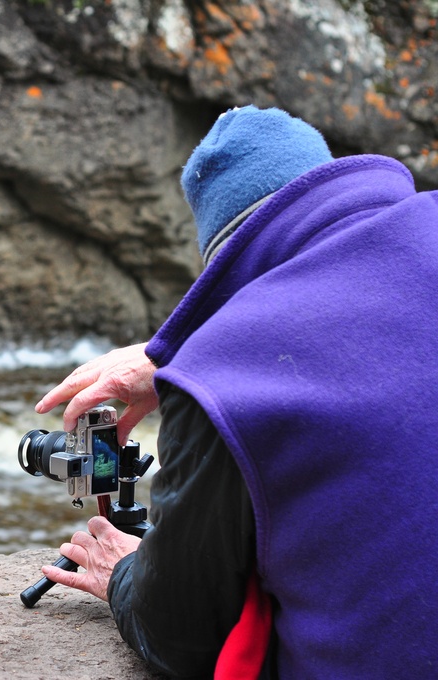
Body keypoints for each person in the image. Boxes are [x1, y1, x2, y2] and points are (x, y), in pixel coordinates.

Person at [33, 106, 438, 678]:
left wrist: (126, 572)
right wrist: (171, 353)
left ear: (224, 258)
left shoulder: (224, 371)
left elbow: (181, 638)